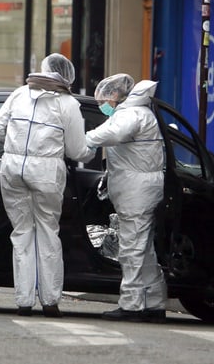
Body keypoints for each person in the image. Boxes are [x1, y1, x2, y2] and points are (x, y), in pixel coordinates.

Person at [0, 53, 95, 318]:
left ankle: (24, 301)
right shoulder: (68, 103)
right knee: (48, 231)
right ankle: (50, 301)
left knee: (22, 232)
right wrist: (90, 150)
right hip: (47, 171)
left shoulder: (20, 93)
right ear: (67, 77)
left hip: (12, 168)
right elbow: (76, 149)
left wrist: (14, 144)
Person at [85, 74, 167, 323]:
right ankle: (154, 302)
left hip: (136, 192)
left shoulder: (130, 115)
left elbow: (111, 134)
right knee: (145, 250)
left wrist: (82, 141)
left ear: (116, 96)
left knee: (131, 249)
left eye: (105, 100)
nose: (103, 105)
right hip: (142, 189)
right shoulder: (141, 113)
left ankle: (131, 305)